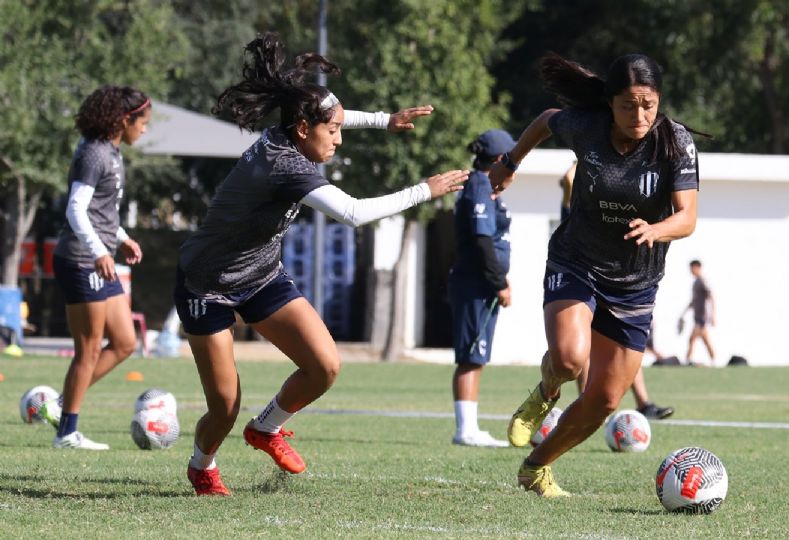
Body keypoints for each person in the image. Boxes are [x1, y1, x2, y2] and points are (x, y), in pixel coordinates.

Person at [175, 33, 467, 496]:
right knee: (225, 405)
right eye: (332, 132)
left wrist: (385, 119)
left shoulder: (292, 130)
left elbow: (334, 113)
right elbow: (352, 214)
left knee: (324, 366)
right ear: (302, 130)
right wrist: (424, 191)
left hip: (260, 275)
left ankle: (266, 428)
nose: (338, 137)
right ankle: (202, 464)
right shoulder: (284, 165)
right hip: (206, 284)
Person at [491, 52, 701, 497]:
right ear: (609, 103)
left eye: (648, 104)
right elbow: (547, 119)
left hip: (635, 283)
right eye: (628, 105)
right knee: (569, 359)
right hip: (577, 261)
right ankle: (546, 391)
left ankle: (535, 468)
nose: (639, 115)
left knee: (604, 401)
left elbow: (687, 218)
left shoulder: (675, 143)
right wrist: (510, 162)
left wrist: (657, 229)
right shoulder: (587, 127)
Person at [44, 86, 150, 450]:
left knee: (124, 342)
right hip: (80, 258)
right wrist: (99, 251)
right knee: (88, 349)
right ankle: (66, 432)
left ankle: (61, 403)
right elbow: (76, 208)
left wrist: (120, 237)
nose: (145, 129)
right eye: (143, 122)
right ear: (124, 120)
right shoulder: (93, 153)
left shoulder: (112, 151)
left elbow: (99, 211)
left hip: (99, 255)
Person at [563, 163, 675, 421]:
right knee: (585, 347)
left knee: (627, 345)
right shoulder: (576, 208)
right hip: (586, 279)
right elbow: (567, 180)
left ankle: (644, 403)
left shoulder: (608, 206)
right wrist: (582, 159)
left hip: (617, 280)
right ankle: (585, 403)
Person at [448, 129, 515, 448]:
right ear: (501, 159)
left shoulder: (486, 186)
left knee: (477, 356)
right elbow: (482, 240)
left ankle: (470, 426)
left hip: (482, 283)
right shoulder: (479, 186)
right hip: (475, 283)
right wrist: (499, 282)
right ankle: (466, 429)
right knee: (471, 356)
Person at [680, 259, 717, 366]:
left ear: (697, 268)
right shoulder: (696, 282)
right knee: (704, 340)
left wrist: (713, 315)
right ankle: (713, 361)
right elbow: (694, 301)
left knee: (692, 339)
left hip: (702, 317)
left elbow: (710, 296)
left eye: (692, 268)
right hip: (697, 317)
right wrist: (683, 313)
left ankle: (687, 361)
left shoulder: (702, 281)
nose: (691, 271)